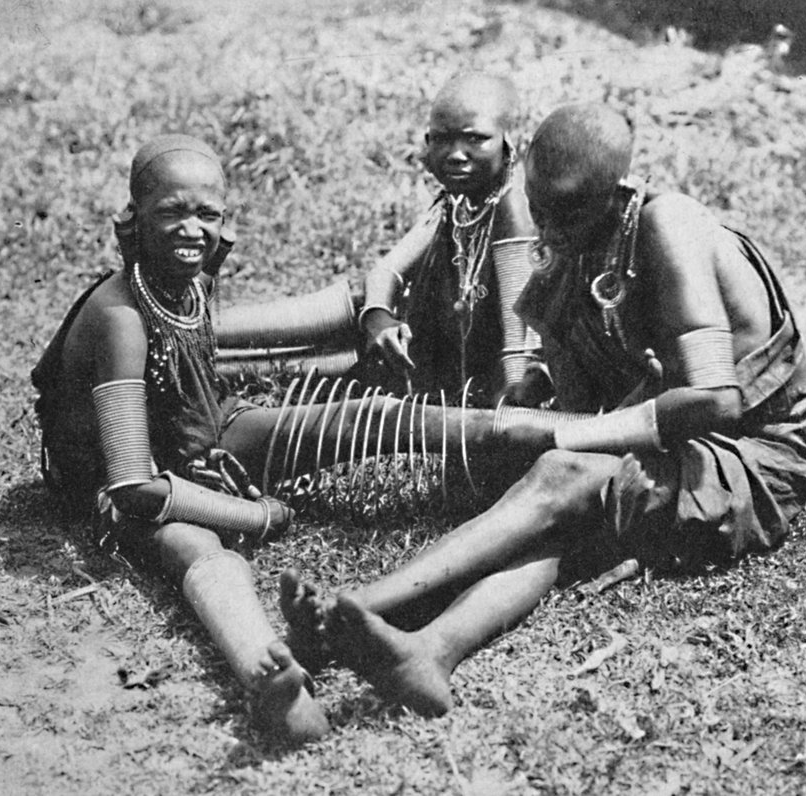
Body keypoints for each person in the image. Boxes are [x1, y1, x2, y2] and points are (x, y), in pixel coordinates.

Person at [281, 103, 806, 717]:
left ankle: (355, 609)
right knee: (555, 515)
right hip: (666, 444)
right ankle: (429, 651)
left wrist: (579, 435)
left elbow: (715, 398)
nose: (551, 229)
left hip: (746, 459)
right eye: (540, 210)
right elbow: (589, 362)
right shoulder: (585, 229)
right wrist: (539, 390)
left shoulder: (668, 223)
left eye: (566, 212)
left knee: (560, 478)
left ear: (616, 191)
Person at [30, 135, 519, 743]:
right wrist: (256, 514)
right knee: (193, 543)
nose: (192, 230)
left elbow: (192, 393)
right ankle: (266, 671)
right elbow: (133, 484)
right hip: (117, 480)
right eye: (170, 213)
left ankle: (568, 430)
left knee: (359, 419)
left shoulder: (190, 277)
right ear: (133, 219)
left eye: (208, 215)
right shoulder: (120, 317)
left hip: (198, 439)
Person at [353, 72, 549, 406]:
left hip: (491, 398)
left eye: (475, 139)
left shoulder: (513, 209)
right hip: (439, 368)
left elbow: (518, 353)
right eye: (442, 139)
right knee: (346, 309)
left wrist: (498, 419)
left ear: (509, 142)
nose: (456, 154)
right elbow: (386, 271)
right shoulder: (458, 202)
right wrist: (378, 318)